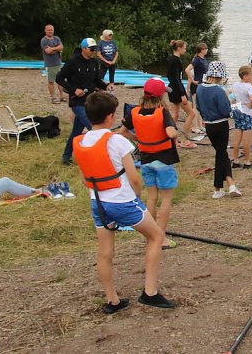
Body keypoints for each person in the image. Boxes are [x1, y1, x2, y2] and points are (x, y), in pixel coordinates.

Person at [72, 91, 175, 312]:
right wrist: (136, 196)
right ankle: (150, 292)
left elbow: (84, 178)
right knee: (156, 236)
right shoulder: (116, 140)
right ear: (110, 116)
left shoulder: (79, 141)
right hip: (123, 201)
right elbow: (134, 177)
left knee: (105, 252)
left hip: (98, 202)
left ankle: (113, 300)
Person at [120, 77, 180, 250]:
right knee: (167, 198)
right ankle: (161, 238)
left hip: (146, 160)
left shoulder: (134, 112)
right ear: (161, 96)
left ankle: (151, 236)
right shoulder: (163, 112)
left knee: (152, 197)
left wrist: (138, 139)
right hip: (164, 160)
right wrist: (175, 132)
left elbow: (123, 132)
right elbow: (170, 133)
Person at [56, 37, 112, 165]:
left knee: (76, 131)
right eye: (91, 49)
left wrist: (106, 86)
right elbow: (59, 78)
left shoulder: (94, 63)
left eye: (95, 49)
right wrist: (73, 90)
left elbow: (96, 80)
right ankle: (98, 157)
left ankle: (66, 157)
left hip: (89, 101)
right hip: (77, 102)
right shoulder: (72, 62)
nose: (93, 51)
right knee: (94, 127)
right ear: (83, 48)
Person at [194, 61, 242, 199]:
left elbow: (198, 107)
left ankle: (230, 185)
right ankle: (218, 189)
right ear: (220, 76)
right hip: (221, 125)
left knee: (221, 154)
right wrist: (234, 108)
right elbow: (225, 111)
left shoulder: (200, 88)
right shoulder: (218, 91)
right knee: (221, 155)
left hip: (208, 125)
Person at [166, 40, 196, 148]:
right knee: (191, 113)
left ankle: (170, 139)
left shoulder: (170, 59)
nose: (185, 50)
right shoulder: (176, 61)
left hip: (171, 88)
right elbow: (176, 78)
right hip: (177, 90)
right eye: (184, 48)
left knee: (174, 115)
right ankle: (184, 140)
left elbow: (170, 76)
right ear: (179, 48)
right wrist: (183, 94)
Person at [231, 65, 252, 169]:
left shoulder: (235, 85)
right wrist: (250, 106)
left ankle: (235, 160)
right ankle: (247, 161)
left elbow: (228, 92)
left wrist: (232, 102)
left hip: (237, 111)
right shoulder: (249, 87)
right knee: (246, 139)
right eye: (251, 75)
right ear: (245, 76)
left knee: (237, 136)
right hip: (246, 112)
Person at [184, 42, 209, 135]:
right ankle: (194, 127)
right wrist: (192, 80)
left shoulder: (203, 59)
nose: (207, 50)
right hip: (197, 85)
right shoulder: (197, 60)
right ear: (202, 50)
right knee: (195, 106)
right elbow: (187, 69)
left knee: (201, 106)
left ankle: (200, 126)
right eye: (206, 49)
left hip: (203, 84)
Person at [41, 24, 66, 104]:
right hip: (50, 64)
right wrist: (57, 49)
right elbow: (48, 52)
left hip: (58, 63)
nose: (50, 31)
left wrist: (52, 49)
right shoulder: (44, 40)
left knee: (60, 80)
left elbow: (61, 47)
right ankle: (53, 98)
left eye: (51, 30)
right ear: (45, 31)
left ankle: (62, 96)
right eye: (48, 30)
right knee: (51, 81)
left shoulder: (57, 38)